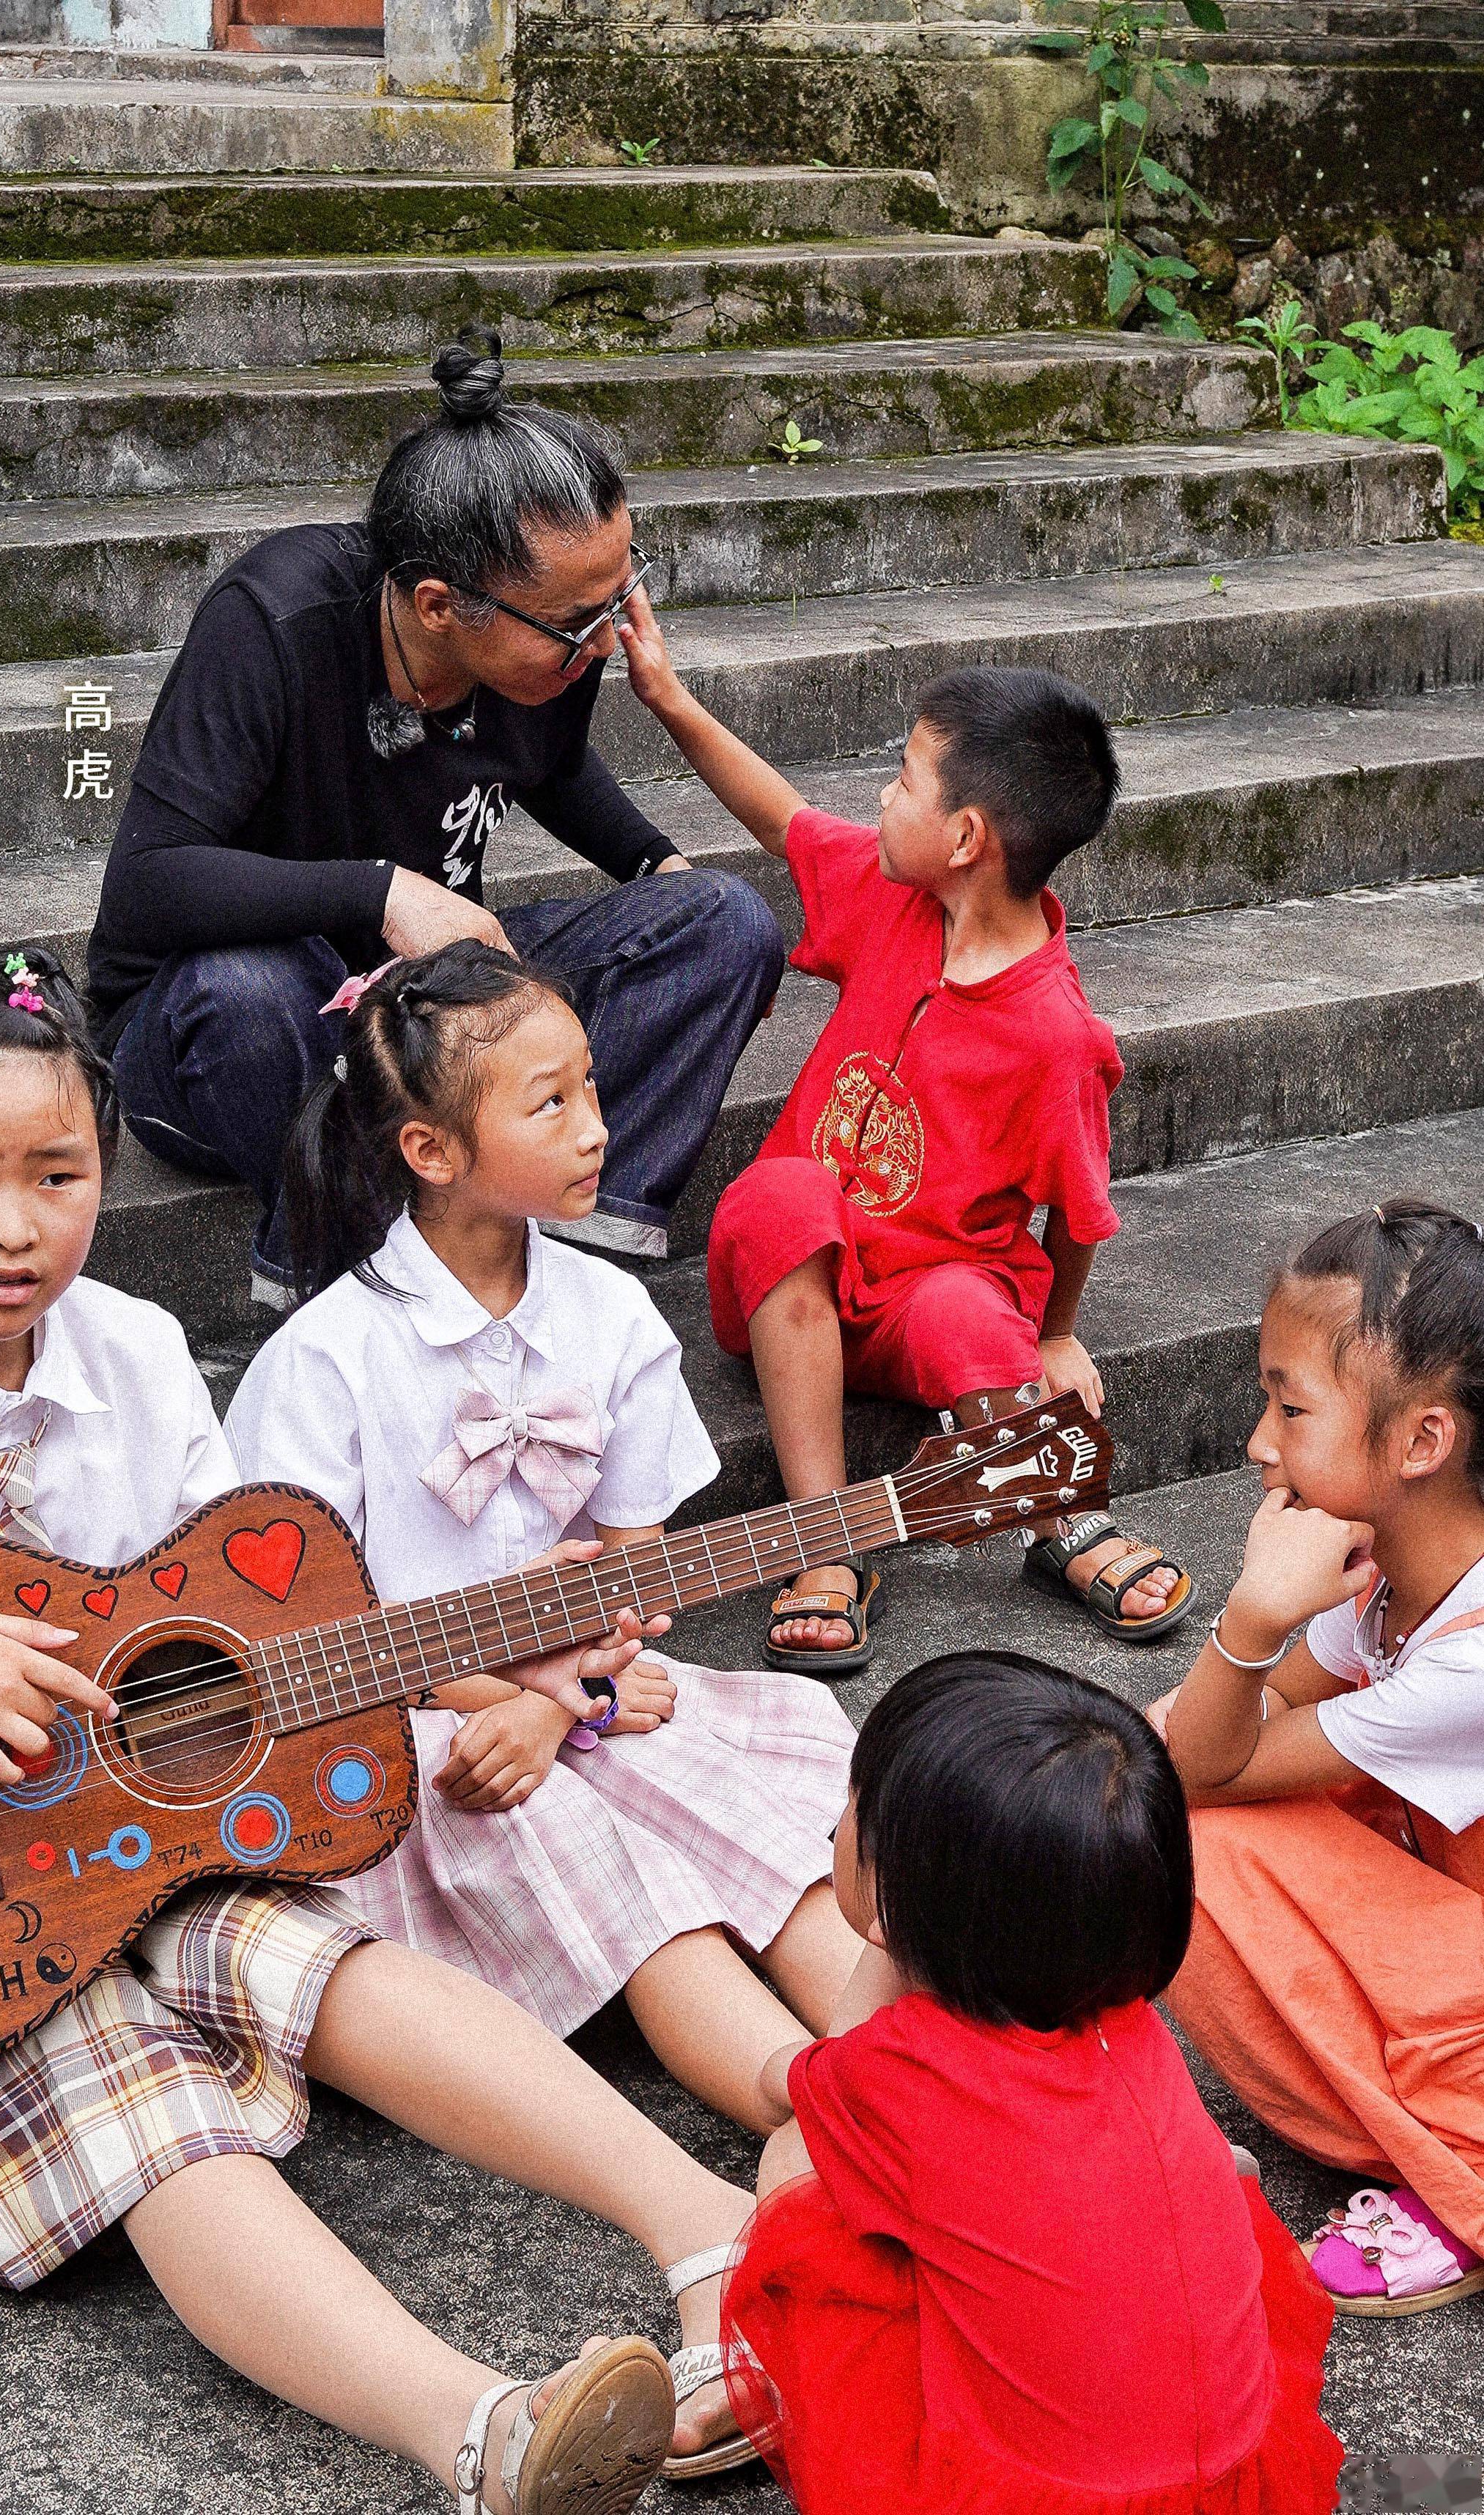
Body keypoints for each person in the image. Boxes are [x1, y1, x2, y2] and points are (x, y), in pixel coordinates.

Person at [0, 947, 767, 2514]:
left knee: (312, 1956)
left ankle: (716, 2229)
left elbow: (229, 1635)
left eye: (60, 1172)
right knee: (124, 2077)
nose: (18, 1224)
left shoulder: (137, 1352)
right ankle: (480, 2433)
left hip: (108, 1835)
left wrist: (505, 1640)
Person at [224, 943, 865, 2456]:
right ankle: (808, 2106)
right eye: (554, 1100)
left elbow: (633, 1549)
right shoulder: (332, 1358)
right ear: (431, 1152)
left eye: (592, 1089)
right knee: (589, 1843)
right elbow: (316, 1614)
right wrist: (507, 1702)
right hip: (419, 1720)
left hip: (584, 1678)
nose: (596, 1124)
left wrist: (581, 1675)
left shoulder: (605, 1315)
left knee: (746, 1775)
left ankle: (925, 2050)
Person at [86, 325, 784, 1301]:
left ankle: (563, 1272)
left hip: (428, 1013)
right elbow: (151, 882)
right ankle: (357, 1287)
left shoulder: (549, 646)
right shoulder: (272, 624)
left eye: (619, 593)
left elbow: (551, 763)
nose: (608, 637)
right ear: (436, 606)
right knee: (245, 995)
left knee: (724, 920)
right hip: (234, 1027)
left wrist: (652, 866)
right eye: (580, 622)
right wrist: (382, 893)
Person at [613, 611, 1192, 1669]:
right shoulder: (895, 898)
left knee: (976, 1311)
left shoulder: (1055, 1034)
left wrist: (1055, 1334)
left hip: (928, 1291)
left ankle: (1057, 1517)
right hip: (794, 1283)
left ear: (966, 838)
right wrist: (668, 700)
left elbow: (1080, 1213)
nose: (881, 798)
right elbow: (780, 816)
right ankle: (825, 1540)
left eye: (904, 779)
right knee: (782, 1193)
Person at [720, 1652, 1343, 2515]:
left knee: (797, 2170)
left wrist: (881, 1943)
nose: (833, 1832)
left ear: (899, 1883)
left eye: (848, 1813)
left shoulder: (898, 2069)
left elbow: (805, 2078)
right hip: (1232, 2482)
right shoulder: (1129, 2025)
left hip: (1030, 2498)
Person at [1153, 1197, 1484, 2317]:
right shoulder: (1393, 1578)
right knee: (1166, 1810)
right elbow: (1196, 1745)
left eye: (1289, 1407)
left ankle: (1462, 2170)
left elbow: (1198, 1773)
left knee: (1179, 1840)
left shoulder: (1474, 1652)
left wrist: (1247, 1622)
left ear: (1422, 1442)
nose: (1257, 1444)